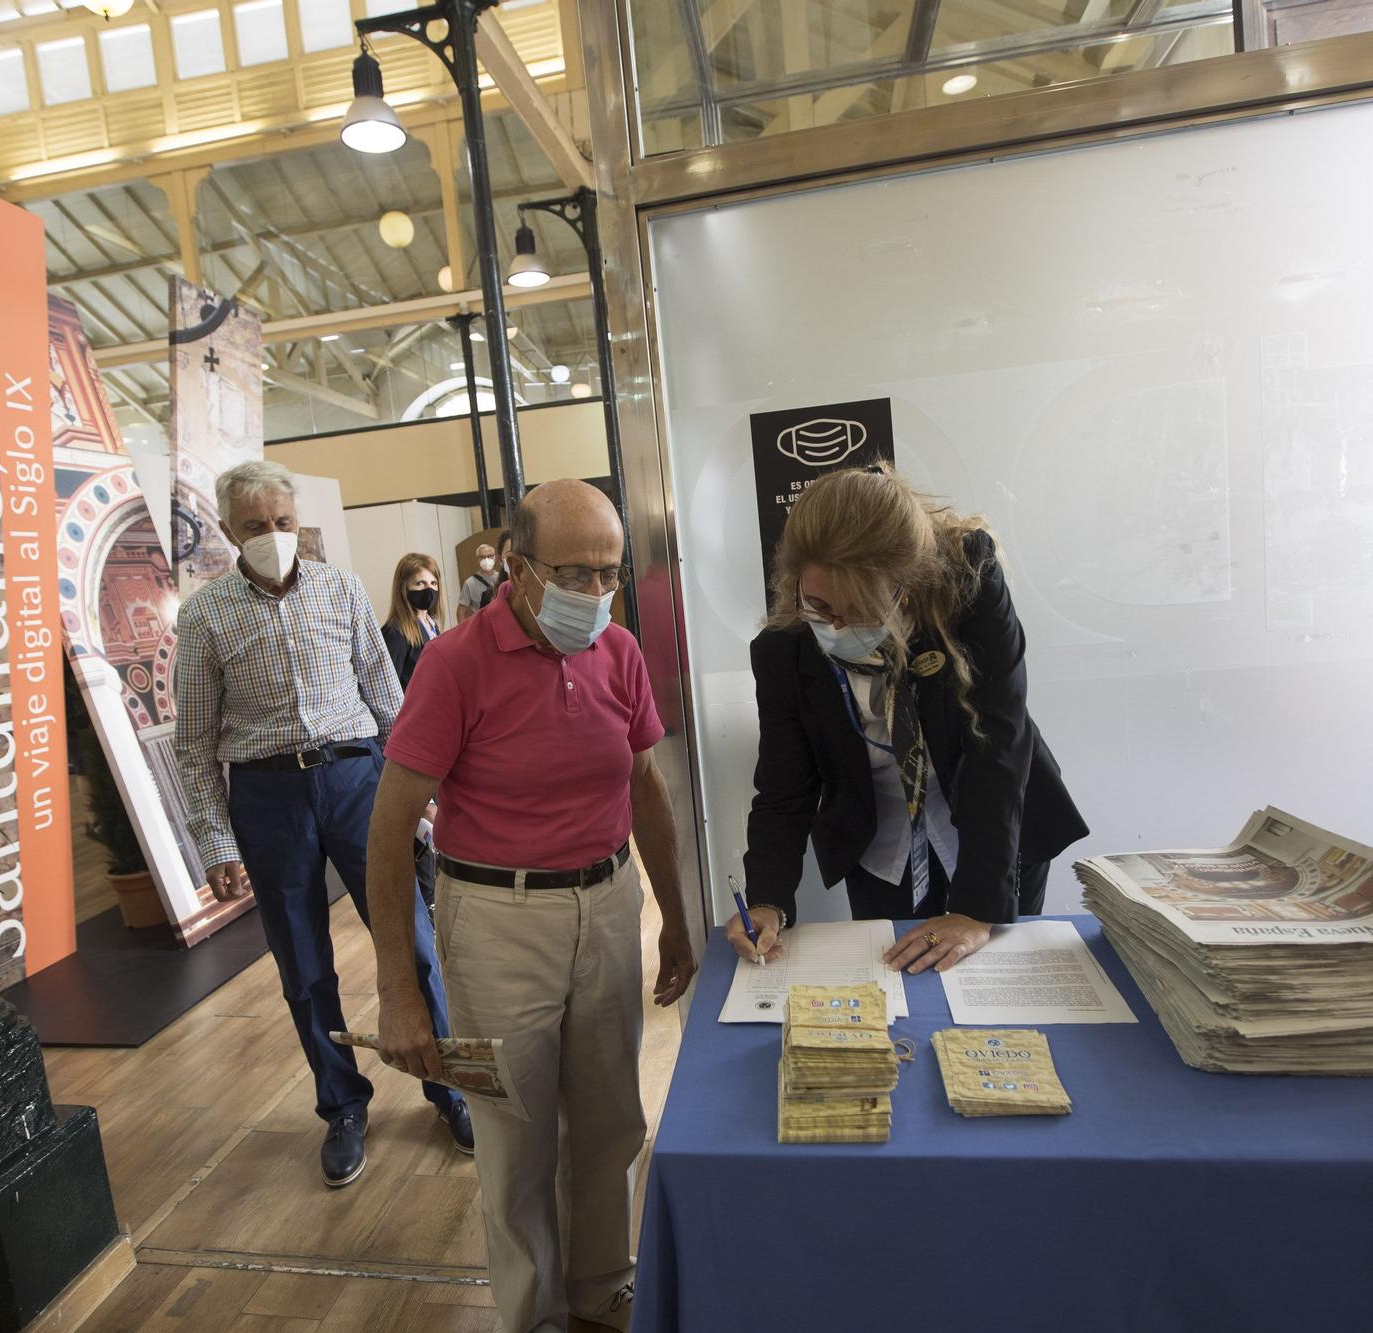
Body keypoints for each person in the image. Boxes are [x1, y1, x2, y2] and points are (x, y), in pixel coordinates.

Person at [365, 480, 696, 1333]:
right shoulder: (454, 663)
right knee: (515, 1138)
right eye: (574, 573)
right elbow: (391, 825)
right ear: (515, 567)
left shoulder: (617, 651)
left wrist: (677, 919)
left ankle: (599, 1284)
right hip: (496, 920)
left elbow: (646, 788)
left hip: (609, 901)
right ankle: (533, 1314)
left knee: (613, 1118)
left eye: (609, 575)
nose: (593, 594)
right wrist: (401, 988)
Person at [172, 460, 472, 1191]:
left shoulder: (339, 588)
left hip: (356, 781)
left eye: (282, 523)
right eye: (254, 528)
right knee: (303, 966)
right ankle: (341, 1105)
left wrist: (425, 792)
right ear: (227, 531)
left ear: (296, 521)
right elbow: (194, 740)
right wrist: (214, 840)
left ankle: (449, 1087)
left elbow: (390, 702)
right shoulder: (206, 614)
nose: (273, 537)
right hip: (267, 795)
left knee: (413, 940)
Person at [726, 464, 1088, 976]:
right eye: (820, 603)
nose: (836, 625)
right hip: (881, 845)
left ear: (909, 586)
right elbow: (785, 788)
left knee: (995, 987)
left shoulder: (968, 585)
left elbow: (999, 742)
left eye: (859, 608)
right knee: (896, 986)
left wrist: (977, 907)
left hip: (991, 836)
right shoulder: (783, 649)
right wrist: (767, 898)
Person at [380, 552, 444, 692]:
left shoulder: (431, 624)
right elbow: (388, 687)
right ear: (404, 588)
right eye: (420, 583)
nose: (429, 590)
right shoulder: (396, 632)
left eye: (433, 583)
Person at [456, 530, 512, 621]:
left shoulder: (502, 578)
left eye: (490, 556)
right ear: (478, 560)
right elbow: (461, 610)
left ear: (495, 557)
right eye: (482, 557)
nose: (486, 560)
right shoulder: (469, 583)